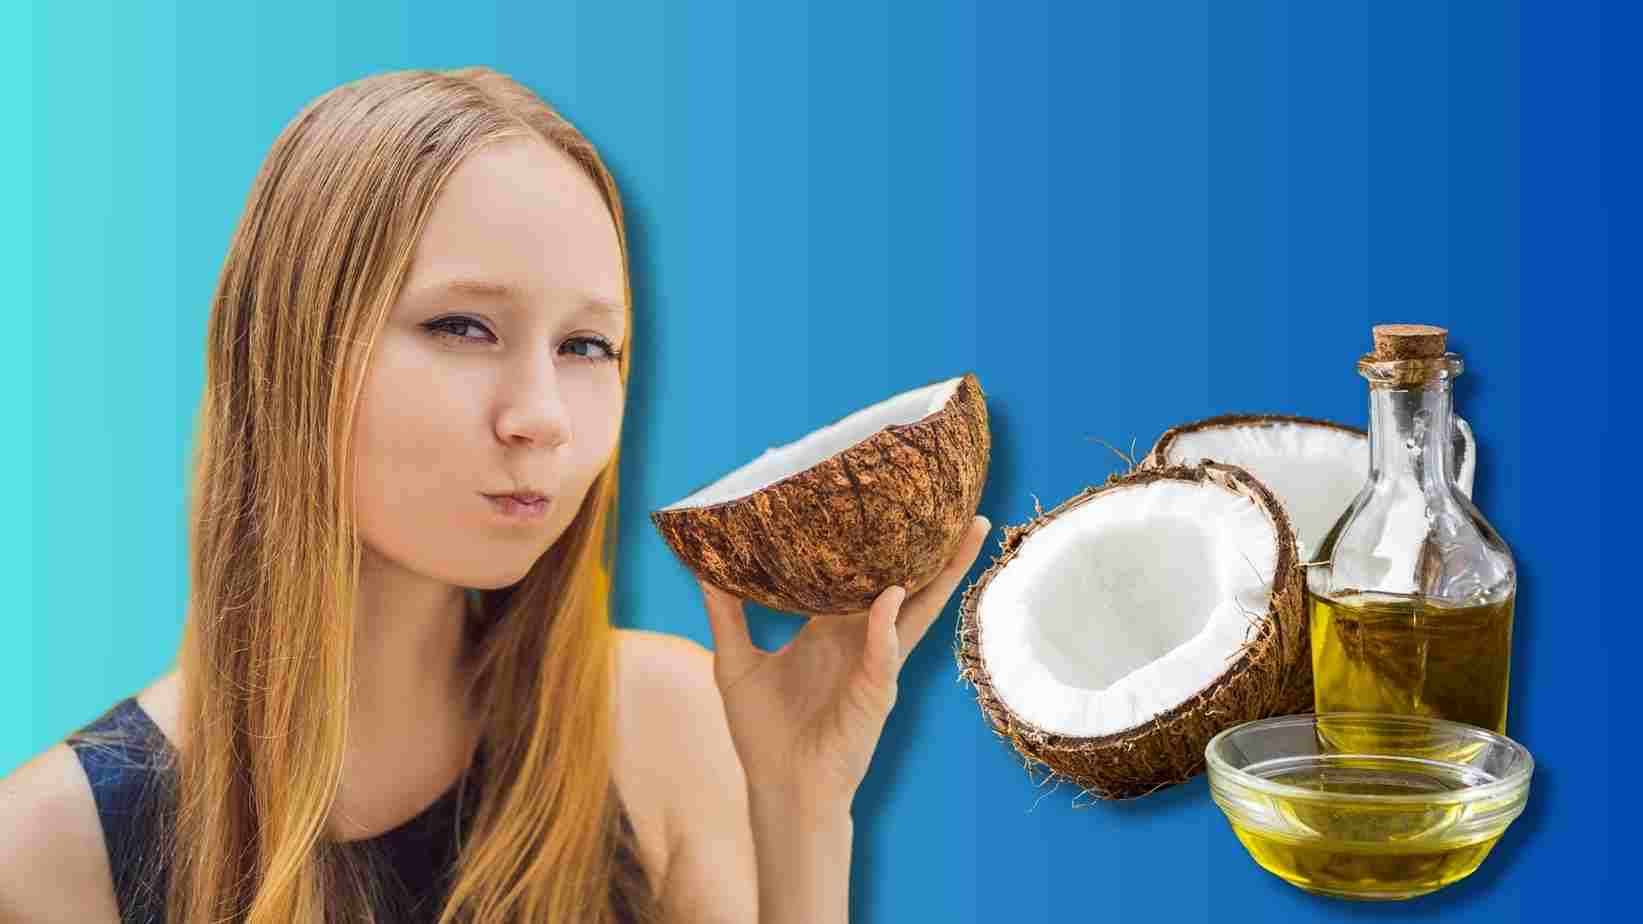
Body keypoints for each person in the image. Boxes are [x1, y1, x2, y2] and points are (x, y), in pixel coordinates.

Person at [0, 66, 988, 924]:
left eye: (586, 346)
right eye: (464, 328)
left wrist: (801, 808)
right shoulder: (48, 852)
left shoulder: (663, 723)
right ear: (288, 355)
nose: (543, 416)